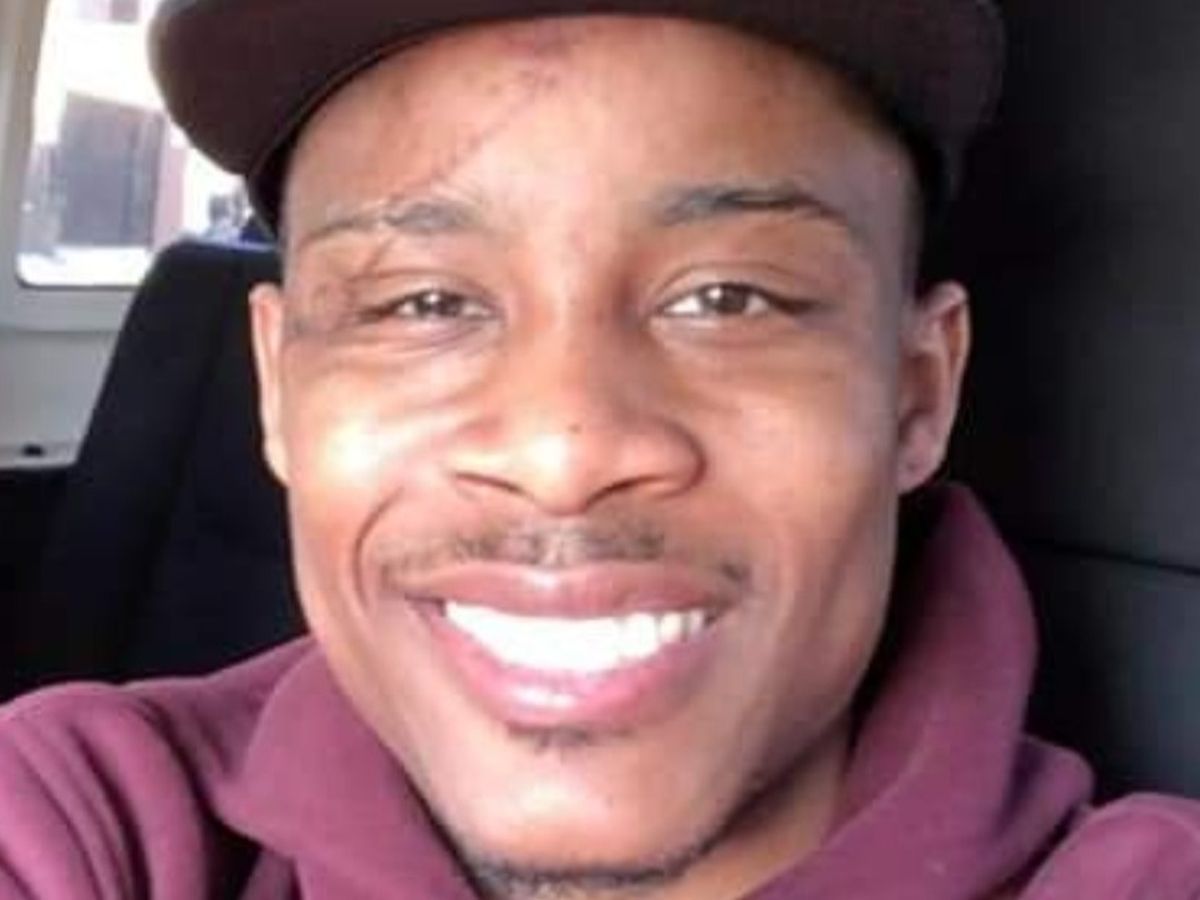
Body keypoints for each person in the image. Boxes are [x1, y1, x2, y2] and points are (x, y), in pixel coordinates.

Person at [2, 1, 1199, 897]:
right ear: (279, 388)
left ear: (918, 394)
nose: (562, 452)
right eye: (424, 303)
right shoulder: (84, 812)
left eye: (727, 298)